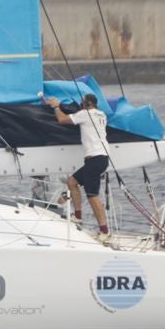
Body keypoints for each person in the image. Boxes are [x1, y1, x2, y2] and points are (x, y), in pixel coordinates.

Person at [45, 91, 112, 236]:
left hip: (94, 158)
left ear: (87, 104)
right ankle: (78, 216)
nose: (80, 106)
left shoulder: (85, 114)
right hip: (101, 158)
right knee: (72, 182)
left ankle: (104, 231)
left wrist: (56, 107)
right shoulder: (101, 115)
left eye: (82, 103)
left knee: (92, 195)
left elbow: (62, 120)